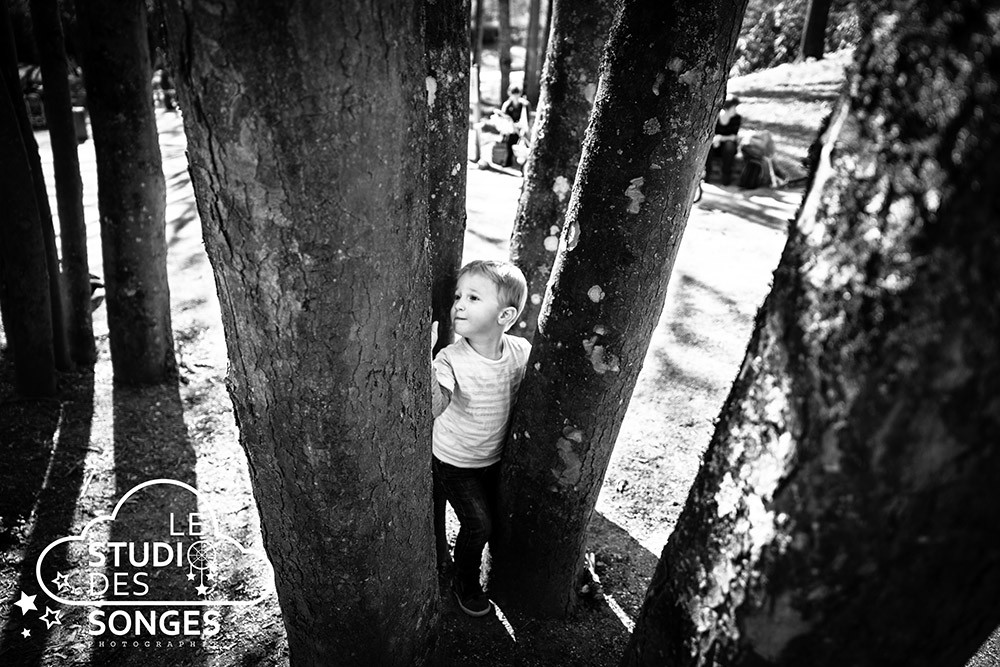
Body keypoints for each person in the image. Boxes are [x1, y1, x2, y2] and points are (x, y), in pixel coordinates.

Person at [430, 260, 531, 617]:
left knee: (500, 521)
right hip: (454, 460)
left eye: (473, 297)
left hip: (495, 458)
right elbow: (432, 407)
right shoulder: (451, 358)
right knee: (478, 525)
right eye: (459, 295)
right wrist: (423, 362)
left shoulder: (520, 353)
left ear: (505, 316)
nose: (458, 303)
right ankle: (464, 580)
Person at [706, 95, 742, 185]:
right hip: (714, 144)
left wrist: (721, 138)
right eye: (734, 108)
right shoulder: (715, 117)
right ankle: (707, 175)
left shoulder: (736, 118)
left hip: (728, 148)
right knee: (709, 146)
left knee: (729, 145)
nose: (735, 110)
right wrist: (715, 140)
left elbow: (734, 136)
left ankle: (726, 177)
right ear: (727, 108)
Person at [499, 85, 531, 167]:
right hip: (511, 129)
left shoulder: (524, 105)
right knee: (510, 143)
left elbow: (527, 120)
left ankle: (523, 165)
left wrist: (522, 128)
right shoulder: (507, 105)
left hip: (522, 129)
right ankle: (508, 162)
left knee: (524, 146)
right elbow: (504, 118)